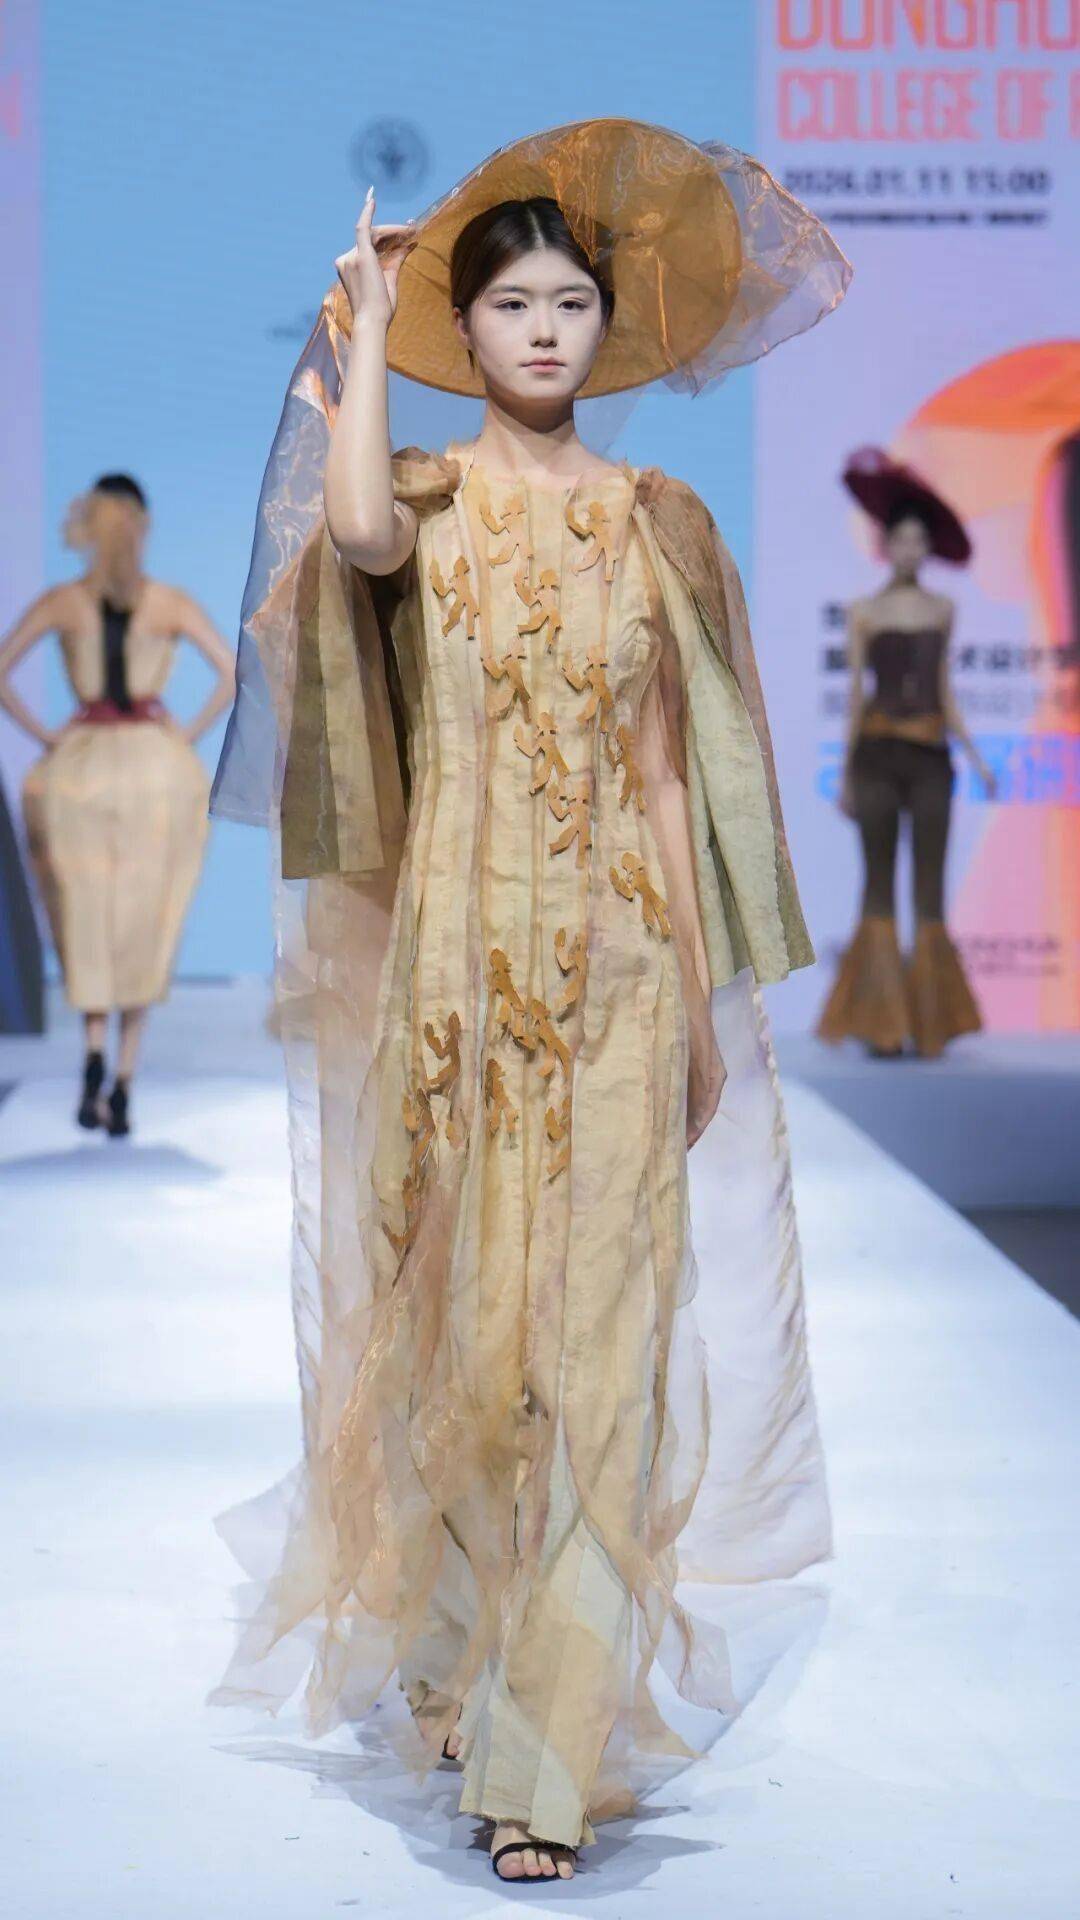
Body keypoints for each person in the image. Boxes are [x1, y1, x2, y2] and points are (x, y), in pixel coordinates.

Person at [208, 118, 851, 1883]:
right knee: (467, 1356)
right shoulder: (423, 505)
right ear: (469, 330)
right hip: (457, 982)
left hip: (627, 978)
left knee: (603, 1359)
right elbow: (346, 526)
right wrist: (365, 319)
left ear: (606, 327)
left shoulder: (660, 527)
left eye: (573, 302)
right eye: (512, 304)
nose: (547, 329)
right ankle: (465, 1659)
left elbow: (665, 778)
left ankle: (545, 1758)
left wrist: (703, 1005)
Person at [0, 473, 235, 1132]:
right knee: (143, 924)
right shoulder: (170, 603)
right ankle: (125, 1078)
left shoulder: (63, 602)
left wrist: (48, 737)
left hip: (80, 769)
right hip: (155, 771)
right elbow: (231, 672)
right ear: (144, 526)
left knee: (88, 923)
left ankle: (95, 1053)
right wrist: (183, 735)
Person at [818, 447, 996, 1059]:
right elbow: (854, 696)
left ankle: (929, 1022)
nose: (911, 550)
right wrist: (845, 774)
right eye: (902, 541)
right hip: (874, 756)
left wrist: (976, 758)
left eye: (920, 541)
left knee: (929, 887)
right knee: (876, 886)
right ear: (886, 546)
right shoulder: (864, 612)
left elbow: (944, 691)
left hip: (930, 759)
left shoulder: (943, 610)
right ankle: (881, 1024)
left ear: (927, 548)